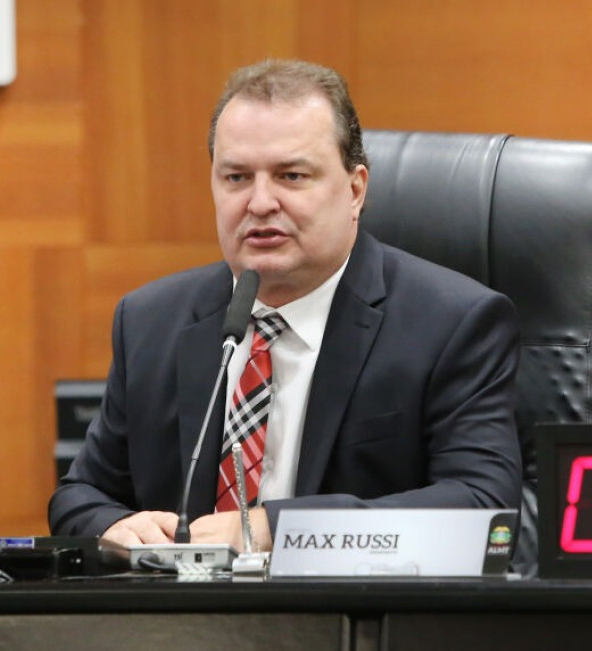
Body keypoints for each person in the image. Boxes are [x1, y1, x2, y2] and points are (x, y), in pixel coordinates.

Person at [48, 59, 522, 552]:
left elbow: (484, 507)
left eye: (291, 176)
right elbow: (80, 496)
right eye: (236, 177)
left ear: (355, 190)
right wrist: (114, 527)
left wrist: (276, 529)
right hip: (182, 603)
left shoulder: (452, 324)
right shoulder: (151, 322)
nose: (259, 203)